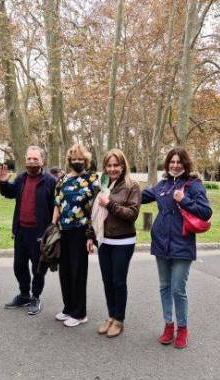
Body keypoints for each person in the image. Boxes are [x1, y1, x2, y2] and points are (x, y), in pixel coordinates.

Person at [141, 147, 212, 349]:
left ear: (185, 163)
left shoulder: (194, 185)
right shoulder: (162, 185)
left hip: (182, 244)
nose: (175, 165)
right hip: (161, 244)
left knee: (177, 289)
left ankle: (182, 328)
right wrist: (114, 193)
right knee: (164, 286)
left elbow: (206, 212)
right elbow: (139, 196)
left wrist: (185, 200)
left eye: (179, 162)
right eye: (171, 162)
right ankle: (168, 325)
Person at [87, 149, 141, 338]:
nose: (112, 169)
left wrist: (109, 203)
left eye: (116, 165)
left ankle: (119, 320)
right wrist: (90, 236)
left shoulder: (132, 186)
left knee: (118, 281)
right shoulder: (102, 185)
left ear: (123, 165)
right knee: (107, 281)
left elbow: (132, 214)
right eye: (109, 165)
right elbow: (93, 214)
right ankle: (110, 316)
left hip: (123, 241)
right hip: (104, 240)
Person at [0, 146, 56, 316]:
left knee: (38, 268)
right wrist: (3, 182)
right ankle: (24, 295)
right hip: (21, 231)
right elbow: (9, 193)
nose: (31, 162)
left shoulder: (50, 181)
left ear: (42, 161)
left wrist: (51, 231)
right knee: (19, 266)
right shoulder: (21, 178)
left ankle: (35, 297)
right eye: (29, 159)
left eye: (35, 159)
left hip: (39, 233)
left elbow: (55, 207)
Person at [52, 144, 99, 327]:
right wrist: (52, 226)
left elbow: (95, 210)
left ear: (86, 160)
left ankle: (80, 313)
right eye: (74, 159)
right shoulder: (62, 180)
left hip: (81, 231)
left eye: (81, 159)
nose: (77, 162)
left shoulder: (92, 179)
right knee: (65, 272)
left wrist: (90, 236)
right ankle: (68, 307)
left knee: (78, 272)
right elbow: (57, 204)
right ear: (69, 160)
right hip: (63, 231)